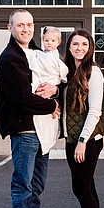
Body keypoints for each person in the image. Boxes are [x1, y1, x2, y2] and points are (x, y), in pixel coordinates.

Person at [0, 9, 60, 208]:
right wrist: (51, 105)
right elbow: (21, 97)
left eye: (29, 24)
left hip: (42, 131)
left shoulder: (35, 54)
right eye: (20, 25)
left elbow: (54, 79)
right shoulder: (10, 58)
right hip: (25, 131)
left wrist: (55, 88)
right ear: (9, 27)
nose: (25, 29)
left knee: (36, 185)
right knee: (23, 185)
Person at [60, 30, 104, 208]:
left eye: (84, 44)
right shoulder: (67, 72)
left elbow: (95, 110)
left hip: (87, 140)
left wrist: (82, 141)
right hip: (72, 139)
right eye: (75, 44)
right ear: (69, 47)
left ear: (90, 48)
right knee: (87, 186)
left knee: (80, 187)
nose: (79, 47)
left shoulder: (94, 72)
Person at [30, 26, 68, 156]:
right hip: (39, 85)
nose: (49, 43)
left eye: (52, 41)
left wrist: (56, 87)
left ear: (58, 42)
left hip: (52, 84)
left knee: (51, 113)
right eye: (46, 40)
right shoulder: (38, 54)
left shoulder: (58, 60)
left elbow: (63, 75)